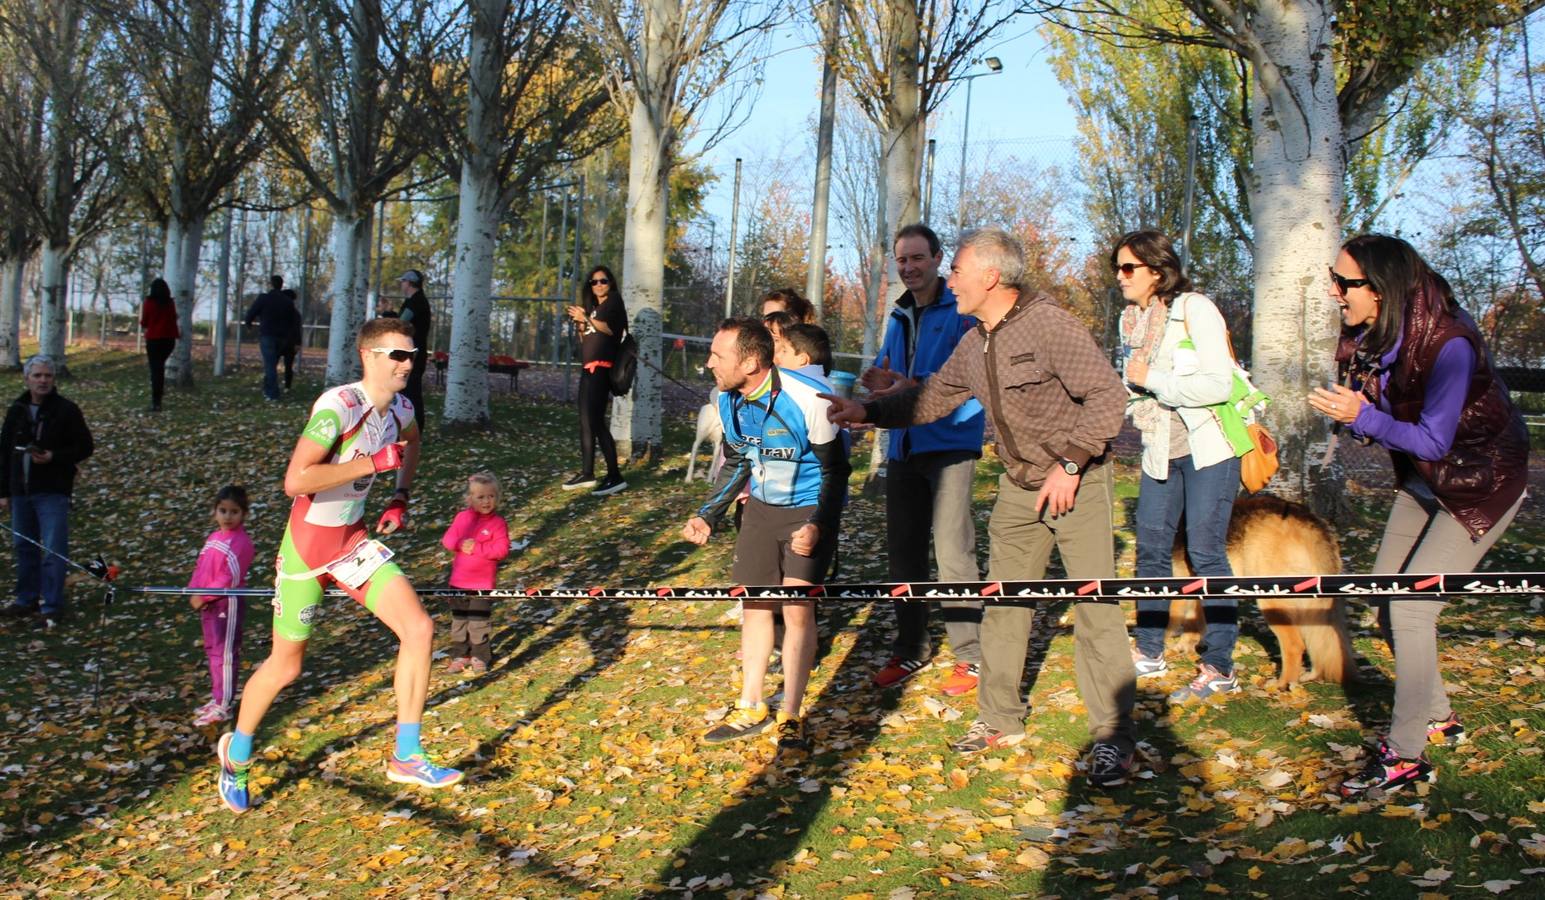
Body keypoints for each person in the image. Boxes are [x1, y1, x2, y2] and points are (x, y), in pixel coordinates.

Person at [823, 228, 1137, 787]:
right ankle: (998, 719)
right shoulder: (976, 338)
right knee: (1005, 604)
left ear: (991, 276)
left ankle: (1113, 738)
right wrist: (866, 411)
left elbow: (1108, 395)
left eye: (960, 270)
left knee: (1095, 609)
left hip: (1077, 480)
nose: (953, 280)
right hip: (1019, 486)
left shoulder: (1049, 326)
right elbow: (931, 398)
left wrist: (1071, 464)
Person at [1308, 234, 1530, 799]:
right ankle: (1440, 717)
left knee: (1410, 605)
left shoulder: (1449, 343)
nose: (1335, 291)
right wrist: (1356, 411)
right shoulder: (1370, 336)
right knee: (1387, 594)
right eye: (1335, 280)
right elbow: (1387, 417)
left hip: (1483, 485)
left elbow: (1432, 440)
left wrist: (1364, 417)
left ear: (1381, 289)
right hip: (1427, 482)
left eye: (1345, 283)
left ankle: (1405, 757)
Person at [215, 318, 461, 814]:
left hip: (352, 544)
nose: (408, 363)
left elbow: (412, 445)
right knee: (286, 667)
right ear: (369, 356)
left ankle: (406, 753)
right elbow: (296, 481)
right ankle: (236, 754)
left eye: (412, 355)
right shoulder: (339, 406)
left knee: (419, 629)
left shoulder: (403, 409)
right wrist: (372, 464)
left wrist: (400, 498)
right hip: (306, 554)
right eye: (398, 355)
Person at [683, 318, 850, 753]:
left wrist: (818, 525)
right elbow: (738, 461)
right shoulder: (726, 400)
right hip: (759, 511)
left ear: (752, 361)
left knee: (796, 611)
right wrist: (709, 514)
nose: (708, 364)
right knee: (754, 605)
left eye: (718, 356)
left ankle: (791, 715)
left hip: (808, 511)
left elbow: (837, 470)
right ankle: (751, 705)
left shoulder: (807, 397)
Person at [1114, 230, 1245, 702]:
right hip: (1159, 448)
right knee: (1150, 551)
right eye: (1118, 267)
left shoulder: (1195, 309)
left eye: (1129, 267)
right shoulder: (1132, 321)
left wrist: (1156, 380)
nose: (1120, 276)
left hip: (1208, 446)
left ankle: (1219, 664)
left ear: (1157, 269)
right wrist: (1136, 395)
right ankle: (1149, 649)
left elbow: (1219, 383)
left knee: (1207, 553)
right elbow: (1135, 388)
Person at [861, 223, 986, 696]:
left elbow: (971, 377)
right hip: (904, 445)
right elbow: (892, 376)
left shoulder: (961, 310)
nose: (909, 267)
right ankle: (912, 646)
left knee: (954, 550)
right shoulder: (898, 314)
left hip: (950, 441)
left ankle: (969, 656)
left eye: (917, 258)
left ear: (937, 259)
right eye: (902, 260)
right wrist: (879, 382)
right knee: (904, 553)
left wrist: (913, 383)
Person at [0, 355, 95, 629]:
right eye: (37, 376)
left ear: (54, 379)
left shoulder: (66, 410)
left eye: (48, 376)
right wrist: (4, 490)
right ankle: (25, 599)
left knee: (53, 548)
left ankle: (52, 606)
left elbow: (85, 447)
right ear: (27, 378)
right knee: (23, 545)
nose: (43, 381)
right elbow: (4, 451)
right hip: (20, 491)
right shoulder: (17, 410)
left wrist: (54, 456)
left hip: (52, 490)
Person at [187, 485, 255, 727]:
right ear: (215, 511)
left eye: (234, 511)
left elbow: (229, 578)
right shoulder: (214, 538)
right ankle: (217, 698)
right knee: (212, 650)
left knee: (224, 654)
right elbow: (201, 567)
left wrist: (204, 596)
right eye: (222, 510)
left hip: (227, 603)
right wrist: (194, 590)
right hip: (209, 605)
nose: (227, 516)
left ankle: (224, 704)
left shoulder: (241, 543)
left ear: (243, 514)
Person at [562, 265, 628, 497]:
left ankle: (614, 475)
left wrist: (586, 318)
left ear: (610, 282)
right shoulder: (595, 308)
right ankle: (587, 472)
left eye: (603, 281)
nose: (599, 285)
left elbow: (610, 330)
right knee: (585, 421)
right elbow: (586, 339)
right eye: (594, 282)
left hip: (602, 369)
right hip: (588, 369)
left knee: (597, 422)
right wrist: (581, 322)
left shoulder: (614, 302)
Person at [440, 471, 511, 674]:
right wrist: (462, 544)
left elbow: (501, 550)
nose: (486, 501)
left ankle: (480, 656)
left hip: (482, 584)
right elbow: (448, 540)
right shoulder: (463, 518)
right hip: (458, 583)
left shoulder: (497, 523)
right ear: (470, 499)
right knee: (459, 622)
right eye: (481, 497)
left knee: (479, 623)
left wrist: (478, 548)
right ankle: (460, 655)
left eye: (491, 496)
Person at [383, 270, 432, 433]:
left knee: (411, 391)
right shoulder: (414, 301)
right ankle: (408, 426)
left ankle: (415, 427)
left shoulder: (416, 302)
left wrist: (387, 315)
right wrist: (389, 313)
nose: (401, 285)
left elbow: (401, 324)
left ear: (409, 283)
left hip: (413, 354)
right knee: (407, 390)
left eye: (403, 281)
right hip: (412, 353)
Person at [243, 276, 299, 402]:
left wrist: (248, 323)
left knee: (270, 365)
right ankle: (268, 389)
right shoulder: (287, 301)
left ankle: (272, 393)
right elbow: (292, 321)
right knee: (272, 364)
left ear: (271, 284)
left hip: (268, 335)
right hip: (283, 337)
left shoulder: (264, 298)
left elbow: (252, 312)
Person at [140, 277, 180, 412]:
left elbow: (145, 321)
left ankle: (156, 401)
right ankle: (158, 398)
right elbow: (174, 317)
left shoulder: (149, 303)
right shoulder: (170, 303)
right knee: (160, 367)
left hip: (154, 339)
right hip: (169, 339)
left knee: (156, 370)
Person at [280, 288, 303, 392]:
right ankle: (287, 387)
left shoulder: (281, 312)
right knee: (288, 366)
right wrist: (298, 343)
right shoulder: (296, 314)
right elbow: (297, 330)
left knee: (272, 365)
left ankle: (273, 386)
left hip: (281, 341)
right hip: (291, 343)